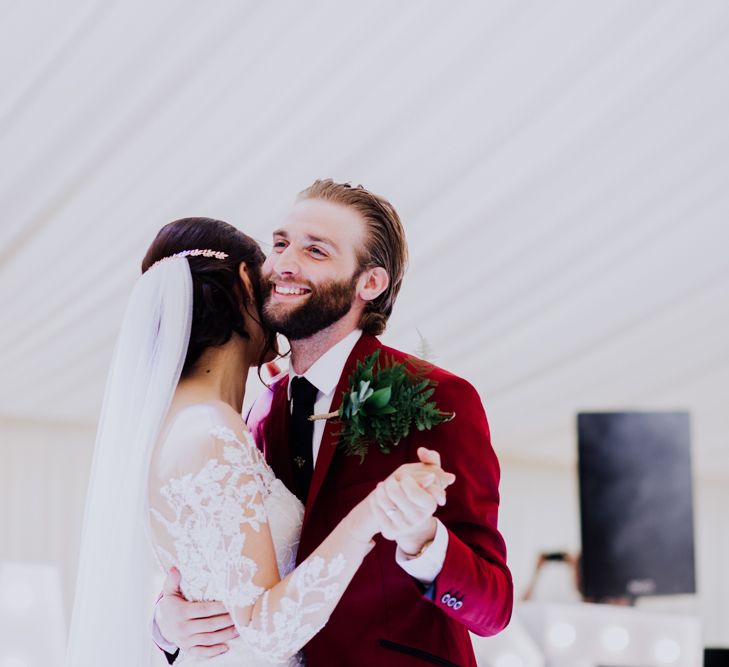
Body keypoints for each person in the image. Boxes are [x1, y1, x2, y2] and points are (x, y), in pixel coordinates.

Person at [65, 217, 454, 667]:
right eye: (270, 269)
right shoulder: (209, 430)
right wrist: (371, 512)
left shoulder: (188, 423)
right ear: (247, 281)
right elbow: (267, 633)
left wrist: (164, 620)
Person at [155, 181, 513, 666]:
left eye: (315, 250)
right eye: (280, 243)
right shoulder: (257, 414)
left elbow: (494, 609)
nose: (283, 263)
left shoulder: (438, 398)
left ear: (369, 283)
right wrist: (166, 625)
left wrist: (423, 539)